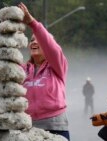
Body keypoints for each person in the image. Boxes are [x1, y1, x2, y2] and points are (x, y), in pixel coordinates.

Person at [18, 3, 70, 140]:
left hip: (55, 127)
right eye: (31, 40)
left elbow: (53, 48)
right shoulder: (21, 70)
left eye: (38, 40)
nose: (34, 42)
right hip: (26, 128)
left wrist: (33, 23)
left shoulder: (57, 66)